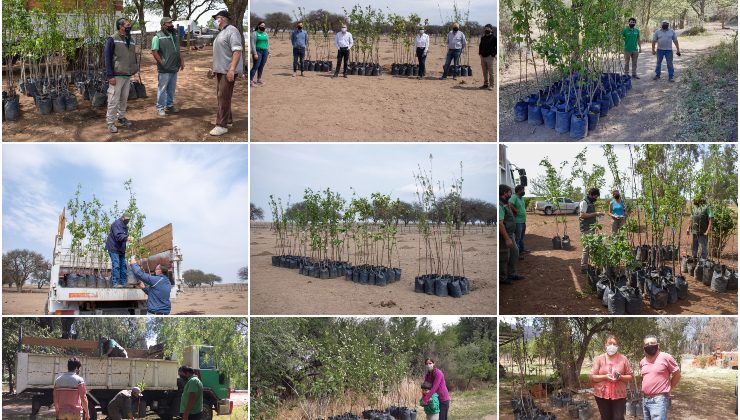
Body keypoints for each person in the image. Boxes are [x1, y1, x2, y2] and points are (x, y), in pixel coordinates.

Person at [210, 10, 243, 137]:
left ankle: (221, 125)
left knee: (223, 96)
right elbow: (220, 53)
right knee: (223, 96)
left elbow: (237, 51)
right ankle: (228, 120)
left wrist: (232, 69)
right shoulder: (221, 33)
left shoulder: (232, 31)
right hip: (220, 70)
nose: (215, 20)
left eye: (216, 18)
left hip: (227, 70)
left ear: (222, 18)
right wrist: (214, 68)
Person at [104, 18, 137, 134]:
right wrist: (110, 76)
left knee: (124, 98)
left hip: (127, 75)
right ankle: (110, 122)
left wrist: (133, 69)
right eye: (127, 25)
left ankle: (121, 117)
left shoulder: (131, 39)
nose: (129, 26)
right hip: (116, 76)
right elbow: (107, 58)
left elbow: (133, 56)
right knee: (113, 99)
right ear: (121, 26)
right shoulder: (112, 39)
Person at [589, 335, 634, 420]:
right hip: (601, 394)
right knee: (605, 417)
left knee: (618, 417)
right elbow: (592, 377)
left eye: (615, 344)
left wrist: (620, 377)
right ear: (605, 345)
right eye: (610, 343)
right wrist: (605, 377)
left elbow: (630, 376)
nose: (612, 346)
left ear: (617, 346)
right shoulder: (599, 359)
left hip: (619, 394)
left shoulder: (623, 359)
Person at [640, 335, 680, 420]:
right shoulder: (642, 361)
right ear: (644, 347)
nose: (650, 345)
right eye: (647, 344)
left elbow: (677, 374)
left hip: (659, 400)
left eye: (652, 343)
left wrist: (669, 388)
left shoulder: (666, 357)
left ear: (658, 345)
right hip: (645, 400)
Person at [152, 17, 184, 117]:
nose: (171, 24)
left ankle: (169, 105)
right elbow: (154, 51)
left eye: (171, 22)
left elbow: (178, 50)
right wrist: (162, 63)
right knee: (162, 88)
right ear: (163, 25)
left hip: (174, 67)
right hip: (164, 69)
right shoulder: (157, 37)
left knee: (171, 88)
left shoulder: (174, 35)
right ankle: (160, 107)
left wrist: (182, 61)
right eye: (168, 23)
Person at [499, 184, 524, 285]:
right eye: (510, 192)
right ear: (505, 193)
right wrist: (507, 239)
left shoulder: (506, 203)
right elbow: (500, 224)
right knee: (504, 256)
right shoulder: (500, 205)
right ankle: (502, 277)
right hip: (505, 236)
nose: (511, 194)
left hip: (510, 234)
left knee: (515, 252)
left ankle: (512, 273)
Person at [106, 213, 131, 288]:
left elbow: (123, 238)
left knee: (123, 266)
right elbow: (118, 236)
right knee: (116, 265)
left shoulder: (125, 227)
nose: (127, 221)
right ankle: (115, 283)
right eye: (126, 219)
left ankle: (123, 283)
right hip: (113, 247)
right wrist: (127, 238)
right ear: (122, 218)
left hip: (121, 249)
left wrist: (127, 239)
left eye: (128, 220)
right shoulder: (116, 224)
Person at [509, 185, 528, 256]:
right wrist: (515, 210)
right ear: (518, 191)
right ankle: (516, 254)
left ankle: (521, 250)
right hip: (517, 221)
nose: (524, 191)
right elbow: (510, 204)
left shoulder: (521, 198)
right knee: (517, 238)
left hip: (523, 221)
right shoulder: (514, 197)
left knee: (522, 237)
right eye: (522, 190)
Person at [249, 21, 269, 87]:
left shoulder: (265, 34)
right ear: (258, 26)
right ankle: (250, 80)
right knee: (256, 66)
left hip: (265, 51)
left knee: (262, 65)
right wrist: (255, 53)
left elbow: (267, 43)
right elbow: (252, 44)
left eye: (264, 26)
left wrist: (269, 51)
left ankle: (259, 79)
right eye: (262, 25)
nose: (263, 27)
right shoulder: (254, 33)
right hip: (258, 51)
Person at [479, 24, 496, 90]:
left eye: (488, 28)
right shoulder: (483, 38)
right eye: (486, 28)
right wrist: (480, 54)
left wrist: (493, 54)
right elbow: (480, 46)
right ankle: (486, 84)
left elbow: (496, 47)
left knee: (491, 72)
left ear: (491, 29)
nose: (487, 29)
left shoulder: (494, 38)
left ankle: (492, 85)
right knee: (484, 71)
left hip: (490, 57)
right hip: (483, 57)